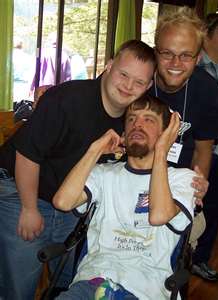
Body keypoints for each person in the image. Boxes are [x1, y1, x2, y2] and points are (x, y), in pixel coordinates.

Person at [0, 40, 155, 300]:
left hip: (68, 198)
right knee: (19, 284)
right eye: (123, 74)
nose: (128, 86)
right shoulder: (66, 99)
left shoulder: (134, 117)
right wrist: (29, 209)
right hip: (20, 187)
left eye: (139, 82)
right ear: (109, 67)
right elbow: (26, 155)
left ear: (149, 86)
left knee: (71, 276)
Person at [53, 94, 196, 300]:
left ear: (167, 133)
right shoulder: (103, 173)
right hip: (92, 281)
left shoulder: (183, 179)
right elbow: (62, 202)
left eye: (148, 119)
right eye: (131, 119)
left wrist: (162, 150)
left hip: (145, 289)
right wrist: (95, 149)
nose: (137, 125)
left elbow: (158, 216)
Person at [148, 7, 218, 255]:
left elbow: (203, 148)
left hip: (175, 188)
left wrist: (196, 182)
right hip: (128, 182)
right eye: (167, 53)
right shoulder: (138, 80)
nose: (175, 64)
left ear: (198, 57)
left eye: (186, 55)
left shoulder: (208, 90)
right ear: (155, 51)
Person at [191, 13, 218, 281]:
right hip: (199, 150)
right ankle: (184, 255)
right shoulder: (194, 67)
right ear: (208, 35)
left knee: (215, 208)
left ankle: (200, 258)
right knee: (194, 205)